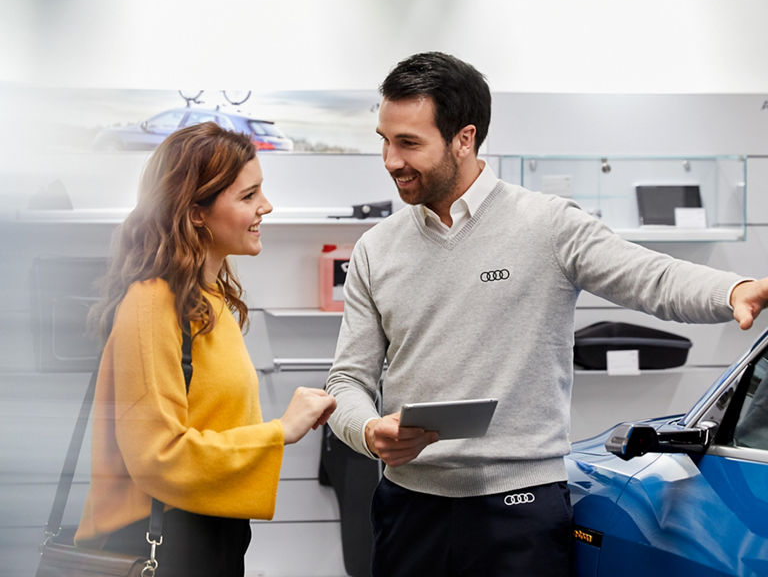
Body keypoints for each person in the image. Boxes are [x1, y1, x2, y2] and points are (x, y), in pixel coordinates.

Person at [325, 51, 768, 577]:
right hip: (408, 509)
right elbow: (346, 379)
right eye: (385, 139)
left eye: (408, 143)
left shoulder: (547, 225)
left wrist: (733, 288)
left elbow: (650, 276)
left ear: (464, 139)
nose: (390, 159)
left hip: (521, 510)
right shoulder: (377, 248)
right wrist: (368, 429)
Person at [75, 122, 336, 577]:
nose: (266, 207)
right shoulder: (153, 302)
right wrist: (280, 431)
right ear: (196, 212)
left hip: (206, 535)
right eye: (248, 195)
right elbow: (158, 455)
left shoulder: (206, 299)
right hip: (166, 543)